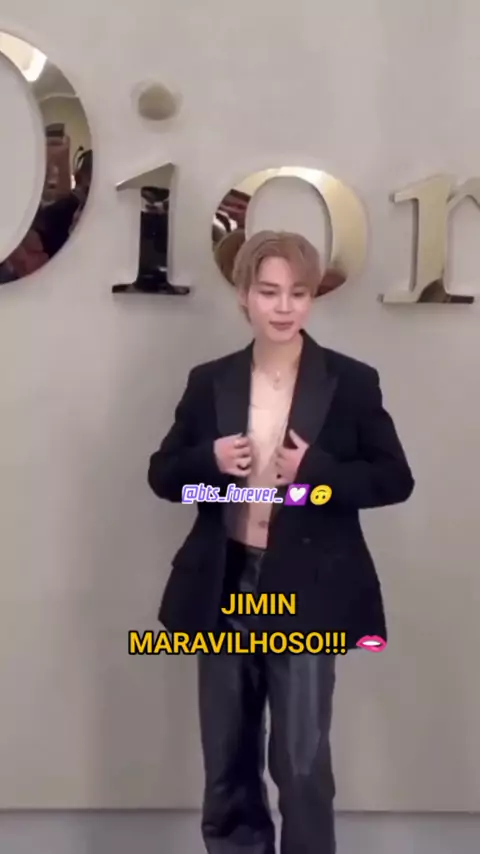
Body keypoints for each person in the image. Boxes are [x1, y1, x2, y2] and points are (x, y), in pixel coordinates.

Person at [147, 230, 414, 854]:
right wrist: (209, 462)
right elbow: (164, 478)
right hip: (226, 586)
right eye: (269, 292)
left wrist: (316, 471)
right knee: (227, 757)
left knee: (300, 763)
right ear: (244, 296)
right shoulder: (210, 381)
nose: (285, 306)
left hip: (307, 591)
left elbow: (394, 480)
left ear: (312, 298)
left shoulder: (350, 382)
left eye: (298, 292)